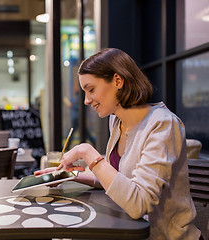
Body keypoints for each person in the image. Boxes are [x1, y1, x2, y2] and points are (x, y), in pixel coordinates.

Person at [35, 48, 202, 240]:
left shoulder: (162, 124)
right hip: (127, 231)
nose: (86, 100)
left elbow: (139, 204)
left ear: (117, 81)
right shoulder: (116, 121)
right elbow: (118, 181)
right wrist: (70, 175)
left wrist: (87, 151)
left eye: (91, 89)